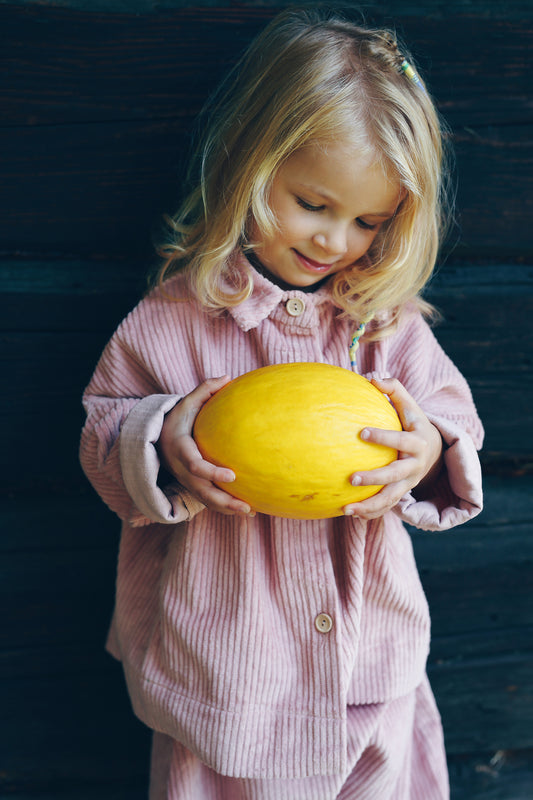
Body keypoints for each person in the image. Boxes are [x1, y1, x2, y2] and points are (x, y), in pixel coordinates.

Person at [80, 8, 484, 799]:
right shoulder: (174, 316)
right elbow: (101, 434)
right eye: (312, 203)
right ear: (247, 162)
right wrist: (161, 441)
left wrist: (428, 450)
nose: (336, 240)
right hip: (229, 670)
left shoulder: (383, 322)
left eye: (369, 221)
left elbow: (451, 419)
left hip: (365, 667)